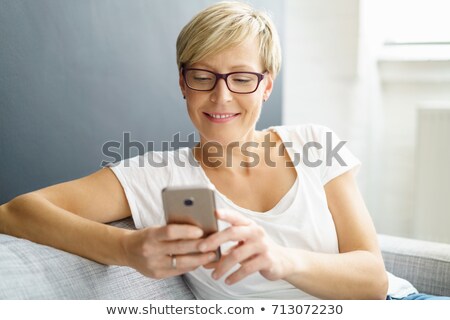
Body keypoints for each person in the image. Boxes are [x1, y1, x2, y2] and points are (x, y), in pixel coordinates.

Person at [0, 1, 447, 300]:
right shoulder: (154, 175)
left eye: (241, 77)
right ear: (182, 83)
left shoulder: (314, 143)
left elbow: (372, 278)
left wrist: (281, 259)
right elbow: (15, 212)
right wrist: (127, 248)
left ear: (267, 84)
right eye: (203, 76)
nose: (221, 96)